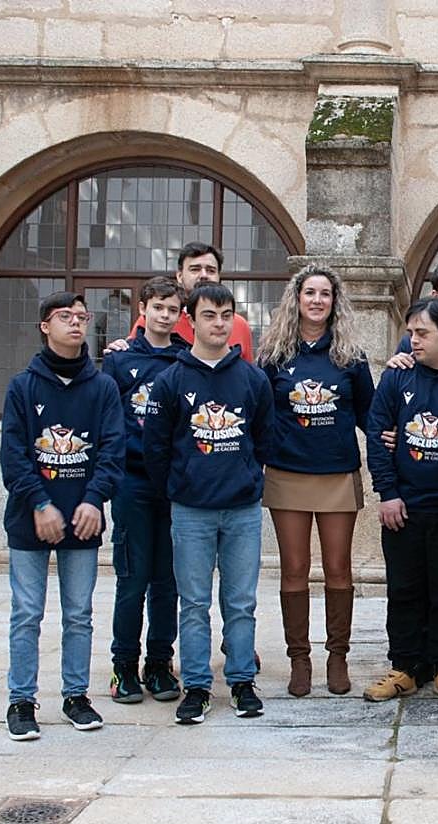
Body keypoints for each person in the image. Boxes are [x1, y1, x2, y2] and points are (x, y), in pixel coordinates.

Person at [142, 282, 274, 725]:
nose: (219, 324)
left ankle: (241, 681)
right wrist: (180, 486)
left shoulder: (252, 379)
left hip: (242, 509)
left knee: (240, 602)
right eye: (209, 315)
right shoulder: (171, 380)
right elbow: (156, 447)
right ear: (191, 320)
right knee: (194, 603)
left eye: (226, 316)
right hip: (191, 510)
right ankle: (197, 686)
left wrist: (248, 479)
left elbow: (265, 439)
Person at [0, 291, 124, 740]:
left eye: (82, 316)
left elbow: (113, 451)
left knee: (78, 614)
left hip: (83, 518)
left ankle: (76, 696)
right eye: (65, 316)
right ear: (44, 326)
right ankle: (21, 701)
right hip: (30, 519)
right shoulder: (22, 387)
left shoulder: (102, 388)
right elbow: (13, 458)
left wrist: (94, 500)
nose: (75, 323)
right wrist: (39, 503)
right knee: (27, 613)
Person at [258, 265, 374, 697]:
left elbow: (370, 415)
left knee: (338, 569)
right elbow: (259, 414)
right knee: (294, 569)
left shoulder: (351, 358)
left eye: (325, 294)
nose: (317, 300)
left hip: (337, 474)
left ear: (334, 302)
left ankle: (337, 656)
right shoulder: (273, 356)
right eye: (310, 292)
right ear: (297, 298)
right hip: (287, 473)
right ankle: (299, 659)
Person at [363, 297, 438, 704]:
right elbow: (376, 434)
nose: (413, 340)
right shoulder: (397, 377)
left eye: (422, 333)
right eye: (410, 332)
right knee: (403, 590)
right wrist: (388, 493)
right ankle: (405, 667)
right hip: (403, 508)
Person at [102, 276, 188, 705]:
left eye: (172, 310)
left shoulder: (185, 360)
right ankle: (123, 665)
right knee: (132, 578)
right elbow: (106, 420)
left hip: (172, 485)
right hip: (131, 482)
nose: (165, 316)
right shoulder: (119, 360)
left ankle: (159, 663)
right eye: (158, 308)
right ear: (143, 309)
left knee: (167, 580)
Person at [111, 242, 255, 362]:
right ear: (179, 276)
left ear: (219, 276)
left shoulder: (239, 325)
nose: (203, 275)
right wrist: (119, 347)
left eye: (211, 270)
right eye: (195, 269)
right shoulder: (156, 319)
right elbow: (132, 355)